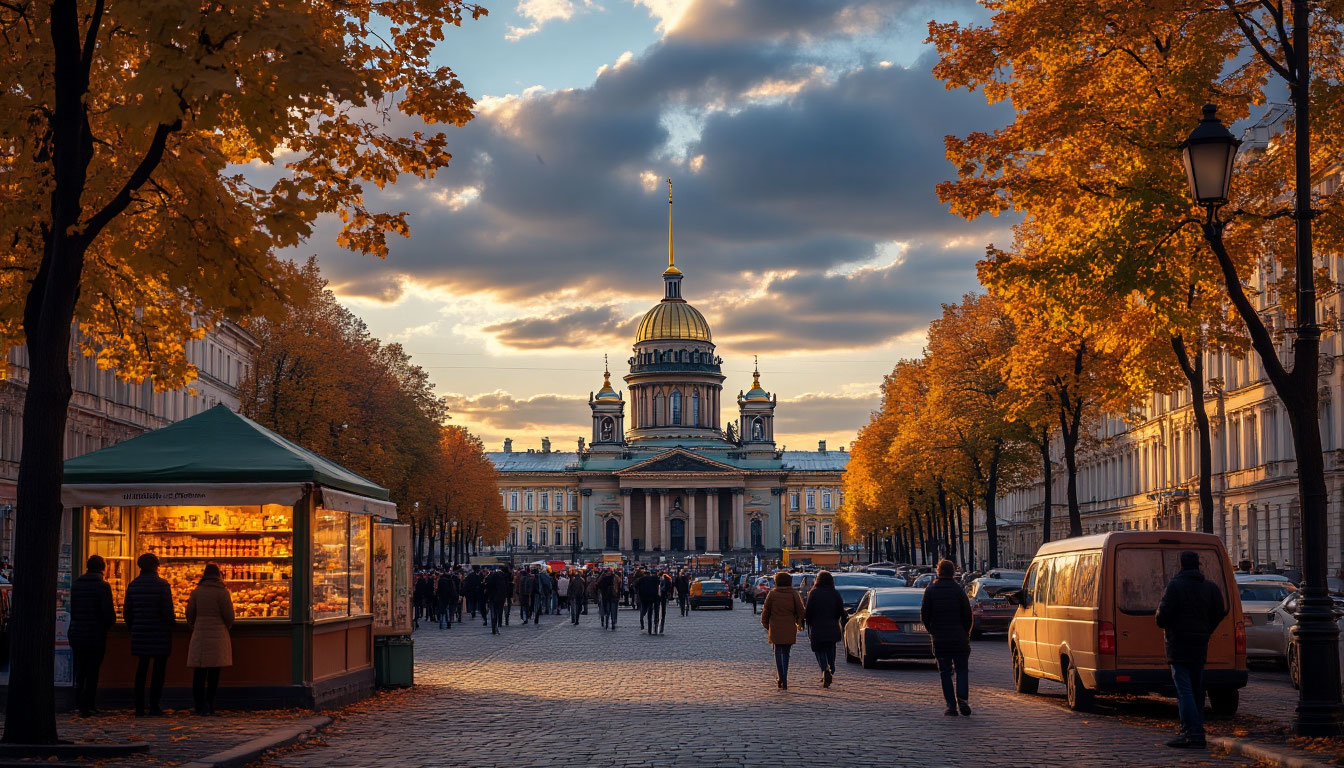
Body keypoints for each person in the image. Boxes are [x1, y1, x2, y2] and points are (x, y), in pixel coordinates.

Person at [1156, 551, 1227, 749]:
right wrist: (1206, 629)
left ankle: (1190, 731)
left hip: (1178, 643)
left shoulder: (1175, 586)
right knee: (1197, 688)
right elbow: (1220, 612)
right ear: (1198, 566)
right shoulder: (1210, 588)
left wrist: (1167, 624)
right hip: (1200, 643)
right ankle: (1198, 730)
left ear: (1182, 566)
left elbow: (1162, 616)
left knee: (1184, 690)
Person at [123, 553, 175, 717]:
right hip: (159, 634)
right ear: (156, 566)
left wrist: (134, 627)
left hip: (140, 633)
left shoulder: (133, 585)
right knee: (158, 671)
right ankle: (154, 705)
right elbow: (167, 611)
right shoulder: (162, 585)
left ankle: (139, 706)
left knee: (141, 670)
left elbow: (127, 613)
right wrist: (170, 624)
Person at [920, 559, 973, 716]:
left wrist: (933, 631)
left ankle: (951, 705)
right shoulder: (959, 590)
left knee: (945, 672)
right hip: (959, 638)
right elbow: (968, 615)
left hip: (941, 639)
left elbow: (925, 615)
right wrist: (966, 633)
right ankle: (962, 698)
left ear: (938, 571)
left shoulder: (931, 590)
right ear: (953, 572)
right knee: (962, 669)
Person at [68, 554, 116, 717]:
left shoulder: (76, 584)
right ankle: (89, 704)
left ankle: (79, 702)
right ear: (103, 567)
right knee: (93, 670)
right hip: (95, 633)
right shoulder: (103, 586)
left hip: (77, 632)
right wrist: (107, 625)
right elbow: (108, 613)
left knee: (80, 670)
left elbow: (73, 609)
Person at [186, 564, 234, 716]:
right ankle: (210, 704)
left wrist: (194, 625)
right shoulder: (223, 593)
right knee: (214, 672)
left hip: (200, 633)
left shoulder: (196, 592)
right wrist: (225, 626)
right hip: (218, 635)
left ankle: (199, 705)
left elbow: (189, 613)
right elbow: (229, 616)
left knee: (199, 672)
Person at [760, 571, 805, 690]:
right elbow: (801, 610)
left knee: (777, 652)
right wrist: (799, 622)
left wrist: (766, 625)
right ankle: (784, 677)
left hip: (775, 627)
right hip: (789, 626)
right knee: (786, 653)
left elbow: (766, 611)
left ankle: (781, 677)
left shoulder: (772, 594)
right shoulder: (793, 594)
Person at [485, 565, 511, 634]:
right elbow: (507, 588)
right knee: (499, 611)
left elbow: (488, 586)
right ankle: (499, 623)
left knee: (493, 612)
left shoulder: (492, 576)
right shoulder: (504, 577)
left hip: (492, 597)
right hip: (501, 597)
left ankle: (494, 627)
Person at [636, 569, 660, 635]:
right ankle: (655, 623)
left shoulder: (641, 580)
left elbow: (636, 587)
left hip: (644, 598)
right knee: (653, 611)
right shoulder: (655, 579)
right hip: (653, 597)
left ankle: (642, 620)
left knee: (644, 610)